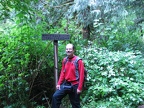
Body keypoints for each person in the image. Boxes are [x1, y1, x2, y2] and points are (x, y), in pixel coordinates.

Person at [51, 43, 85, 108]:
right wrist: (59, 83)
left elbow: (82, 75)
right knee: (55, 96)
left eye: (70, 49)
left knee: (75, 105)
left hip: (75, 85)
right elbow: (63, 73)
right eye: (67, 49)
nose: (68, 50)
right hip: (66, 84)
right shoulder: (65, 60)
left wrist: (79, 88)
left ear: (73, 50)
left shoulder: (78, 61)